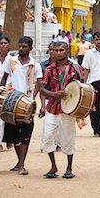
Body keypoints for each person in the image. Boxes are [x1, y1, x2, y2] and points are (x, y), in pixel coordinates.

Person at [40, 42, 84, 179]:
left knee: (68, 138)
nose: (58, 53)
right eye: (56, 50)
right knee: (47, 137)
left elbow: (82, 86)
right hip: (52, 108)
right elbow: (42, 89)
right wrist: (53, 94)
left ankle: (69, 168)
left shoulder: (75, 69)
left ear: (67, 51)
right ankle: (53, 166)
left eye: (61, 50)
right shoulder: (49, 70)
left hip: (69, 109)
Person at [1, 36, 43, 175]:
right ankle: (20, 162)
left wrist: (35, 99)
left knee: (25, 133)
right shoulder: (11, 60)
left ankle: (22, 164)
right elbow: (4, 77)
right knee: (13, 135)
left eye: (24, 46)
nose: (21, 49)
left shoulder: (35, 65)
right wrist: (2, 93)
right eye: (19, 46)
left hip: (27, 104)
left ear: (30, 48)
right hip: (11, 102)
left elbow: (40, 84)